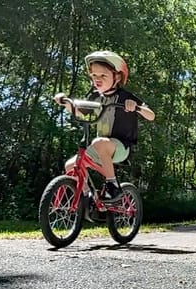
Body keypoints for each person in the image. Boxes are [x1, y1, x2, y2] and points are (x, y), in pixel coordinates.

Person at [54, 50, 155, 204]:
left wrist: (136, 107)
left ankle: (112, 185)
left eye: (103, 76)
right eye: (94, 76)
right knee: (70, 166)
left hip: (120, 147)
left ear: (117, 76)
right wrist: (66, 102)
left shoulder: (124, 97)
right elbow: (80, 113)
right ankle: (88, 196)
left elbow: (151, 115)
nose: (97, 79)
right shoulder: (95, 97)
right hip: (101, 146)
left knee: (99, 142)